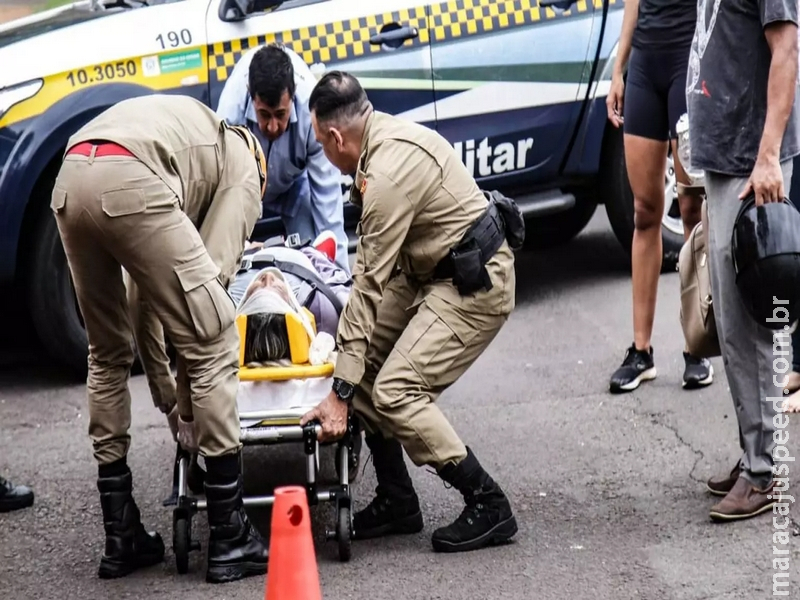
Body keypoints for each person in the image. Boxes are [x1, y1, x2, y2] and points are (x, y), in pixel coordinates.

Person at [51, 94, 270, 583]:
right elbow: (209, 297)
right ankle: (230, 535)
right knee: (214, 336)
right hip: (126, 175)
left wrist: (171, 402)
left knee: (105, 353)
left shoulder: (186, 151)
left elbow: (141, 303)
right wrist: (185, 412)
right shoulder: (245, 166)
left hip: (71, 176)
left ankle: (121, 535)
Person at [299, 71, 520, 553]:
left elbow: (368, 286)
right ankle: (399, 500)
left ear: (336, 137)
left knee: (395, 390)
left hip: (476, 282)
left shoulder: (385, 176)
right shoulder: (380, 141)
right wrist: (347, 377)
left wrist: (339, 394)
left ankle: (487, 502)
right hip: (432, 271)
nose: (325, 156)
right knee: (359, 366)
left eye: (322, 144)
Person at [686, 0, 799, 521]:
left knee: (750, 321)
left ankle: (765, 470)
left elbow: (786, 49)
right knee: (730, 321)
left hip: (751, 161)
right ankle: (755, 452)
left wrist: (770, 155)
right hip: (724, 150)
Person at [606, 0, 714, 393]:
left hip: (689, 62)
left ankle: (697, 345)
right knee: (645, 211)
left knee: (691, 209)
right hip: (645, 67)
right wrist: (618, 70)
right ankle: (641, 351)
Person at [216, 42, 350, 274]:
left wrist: (340, 281)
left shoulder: (313, 111)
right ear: (251, 96)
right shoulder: (231, 114)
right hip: (242, 188)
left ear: (293, 97)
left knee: (314, 260)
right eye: (263, 115)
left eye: (280, 114)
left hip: (293, 188)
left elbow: (329, 210)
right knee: (230, 262)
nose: (272, 126)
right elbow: (220, 193)